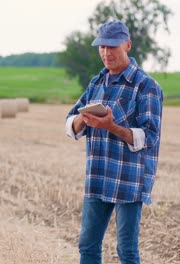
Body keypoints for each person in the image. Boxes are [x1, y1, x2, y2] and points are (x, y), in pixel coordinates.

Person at [65, 20, 163, 264]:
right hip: (97, 176)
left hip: (128, 180)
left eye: (112, 47)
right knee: (87, 246)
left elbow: (149, 137)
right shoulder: (96, 83)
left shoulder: (146, 86)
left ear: (127, 45)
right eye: (102, 47)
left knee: (126, 251)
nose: (106, 53)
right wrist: (83, 120)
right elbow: (70, 123)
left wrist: (111, 126)